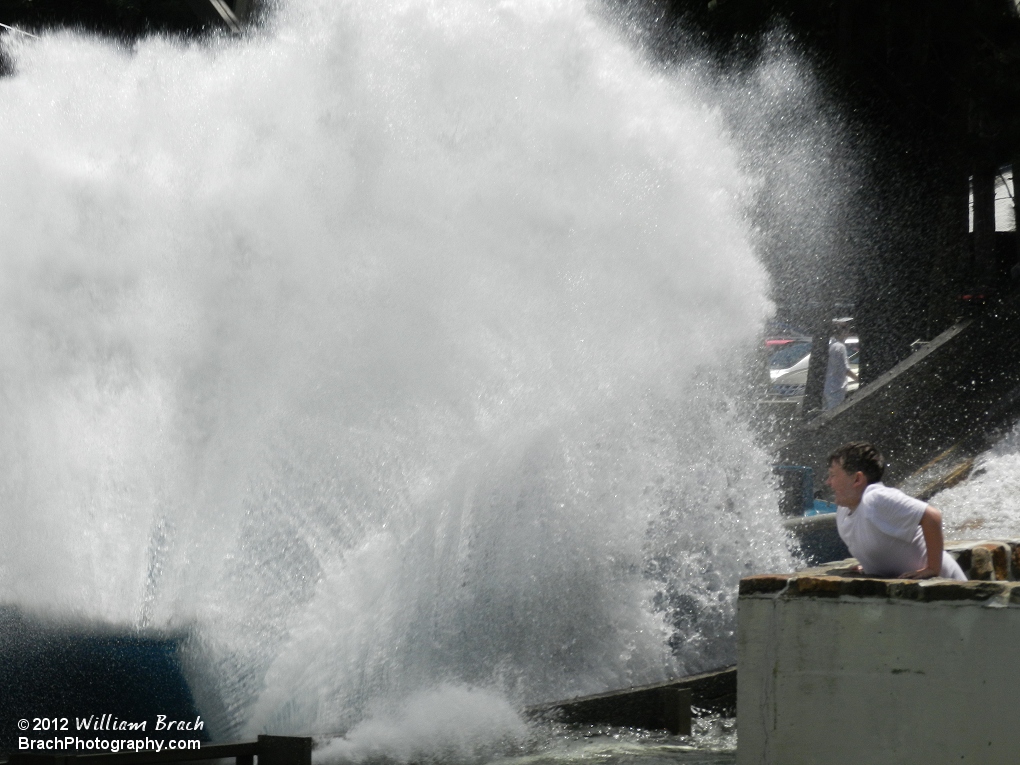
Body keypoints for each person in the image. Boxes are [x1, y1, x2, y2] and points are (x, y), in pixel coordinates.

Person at [826, 441, 966, 580]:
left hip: (950, 588)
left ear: (857, 479)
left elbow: (932, 516)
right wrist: (870, 566)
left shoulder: (875, 498)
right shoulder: (843, 512)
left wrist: (932, 569)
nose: (828, 482)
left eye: (833, 475)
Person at [822, 319, 859, 410]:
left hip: (828, 387)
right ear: (843, 332)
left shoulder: (831, 345)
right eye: (848, 331)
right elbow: (846, 370)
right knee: (834, 415)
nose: (849, 333)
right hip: (837, 388)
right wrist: (859, 379)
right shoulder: (840, 347)